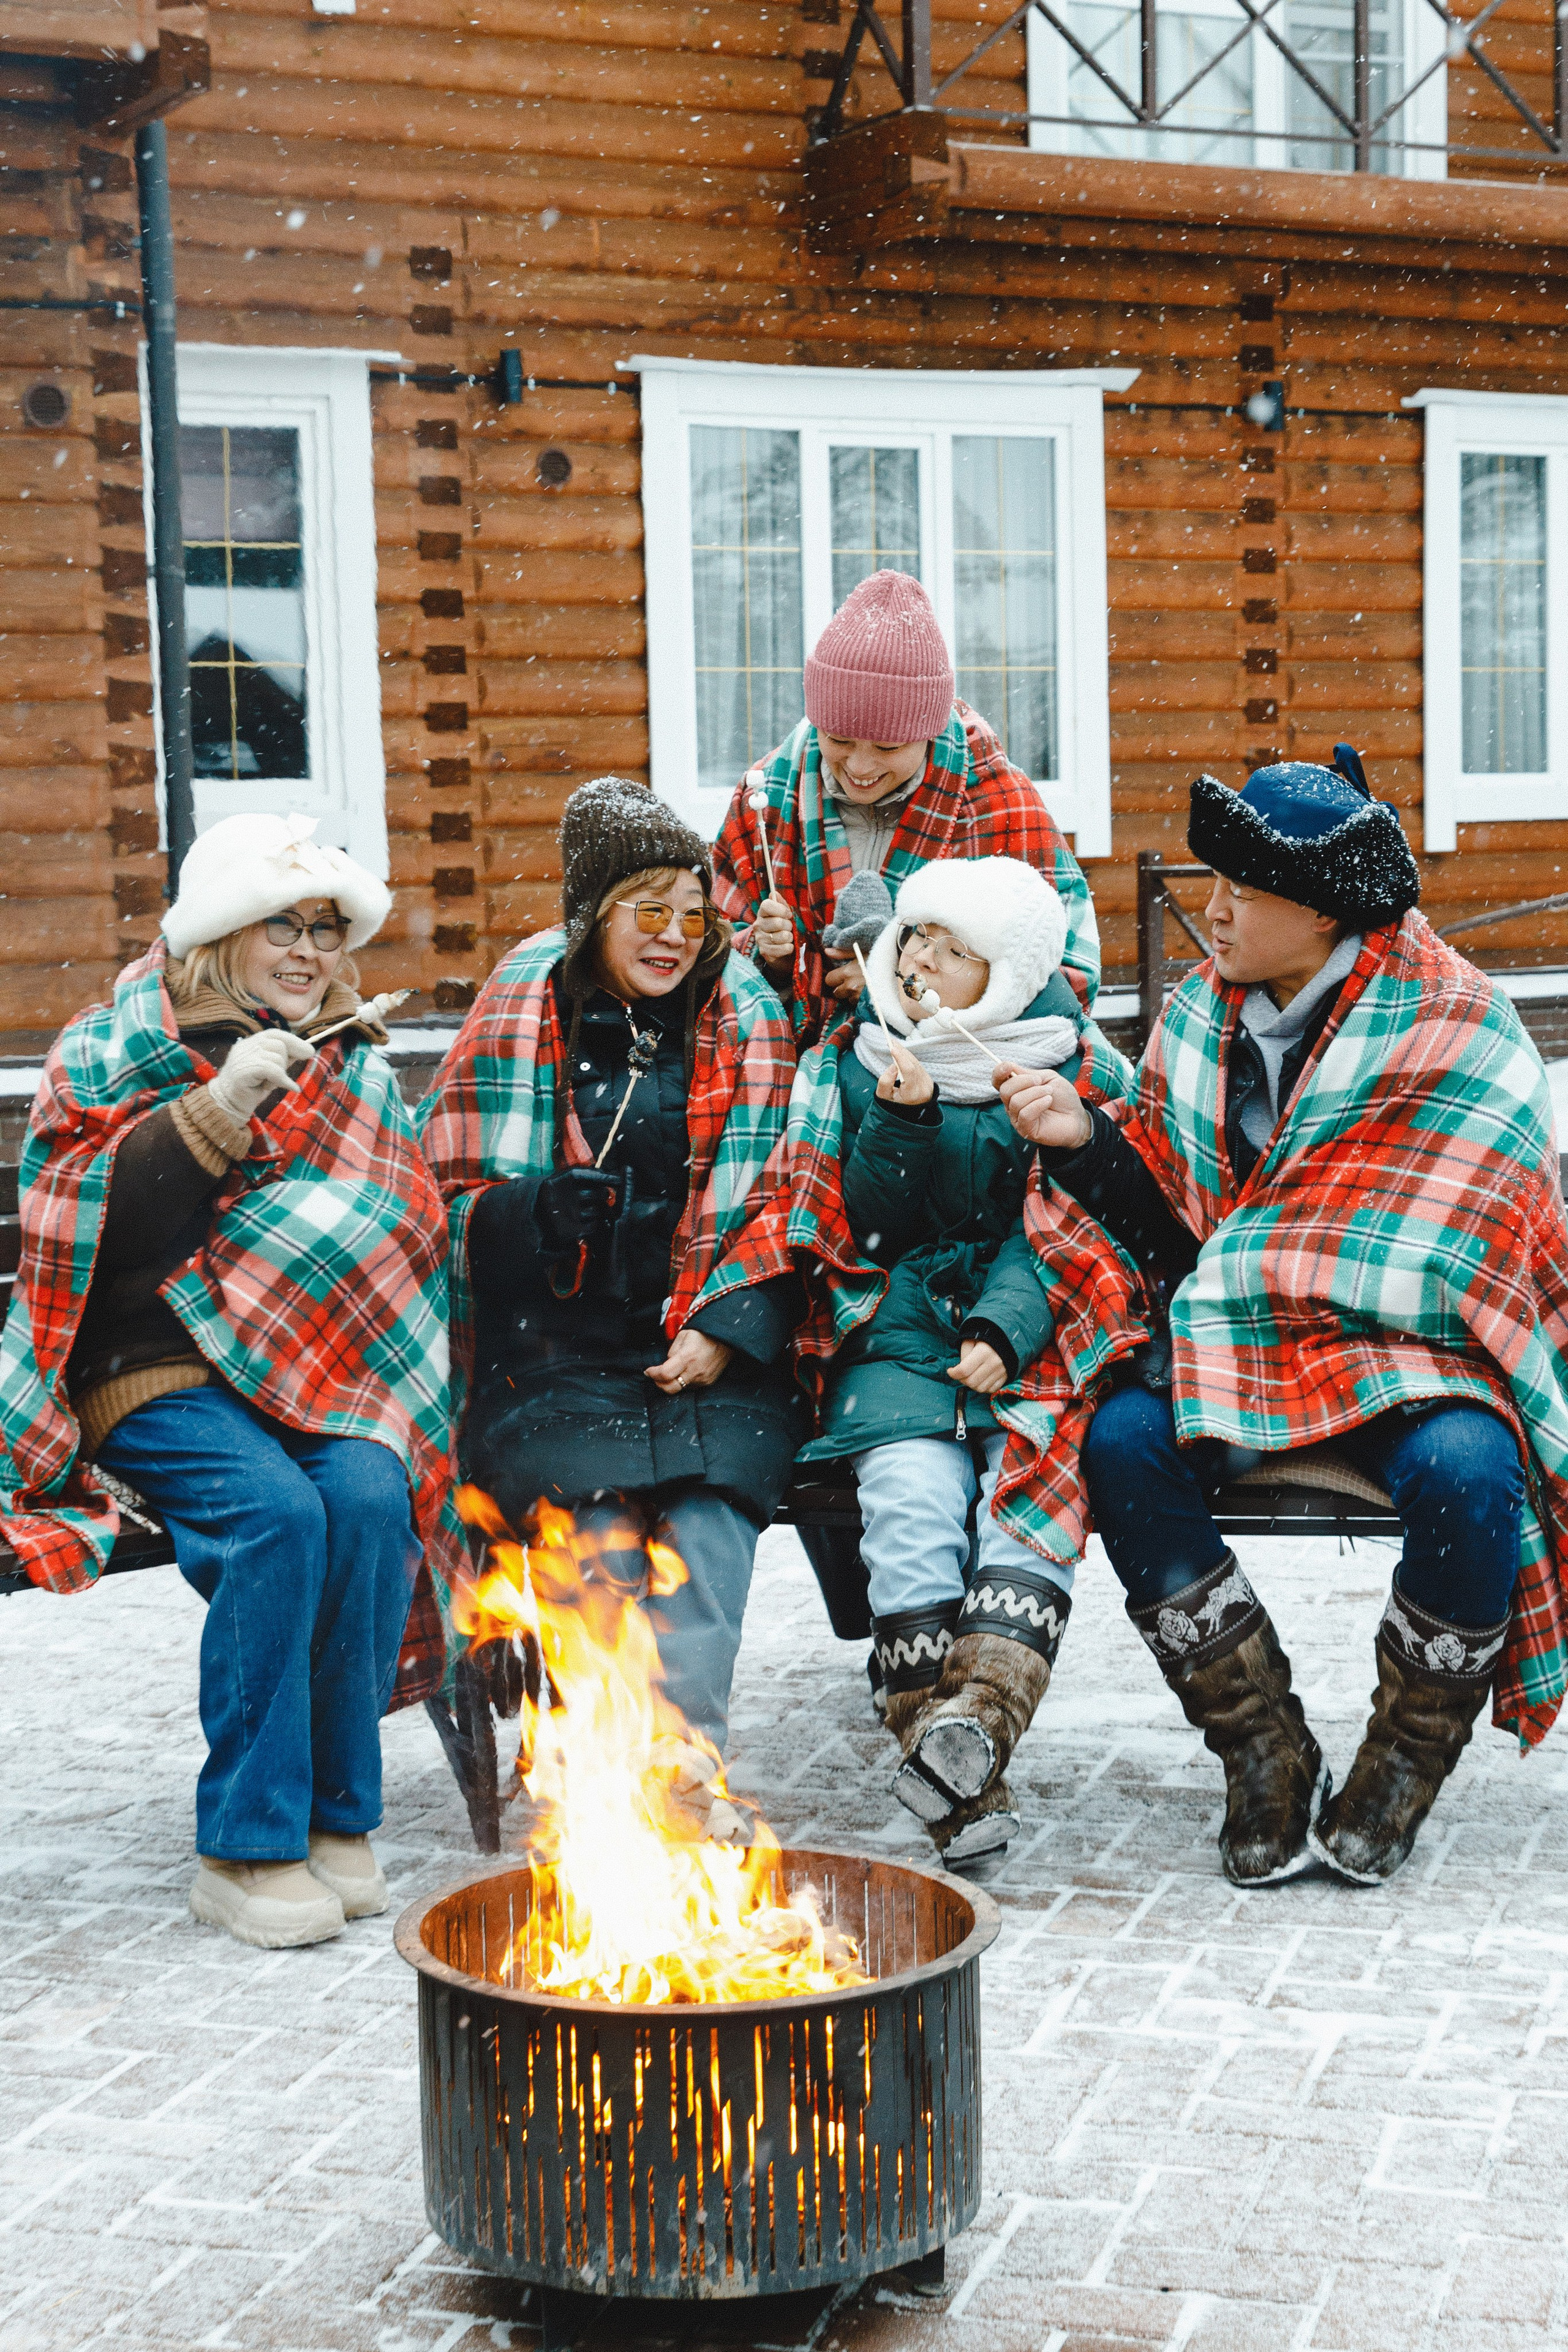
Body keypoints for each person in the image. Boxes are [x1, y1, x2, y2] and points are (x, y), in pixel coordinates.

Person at [998, 748, 1568, 1888]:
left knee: (1470, 1469)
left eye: (1239, 892)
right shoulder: (1204, 1017)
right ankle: (1261, 1743)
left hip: (1413, 1358)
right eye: (1214, 884)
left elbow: (1479, 1238)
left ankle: (1406, 1757)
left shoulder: (1457, 1023)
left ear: (1319, 910)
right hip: (1243, 1348)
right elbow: (1180, 1227)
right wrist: (1086, 1144)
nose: (1209, 910)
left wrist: (1291, 1279)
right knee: (1119, 1444)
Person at [0, 814, 461, 1949]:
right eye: (281, 928)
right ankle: (245, 1847)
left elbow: (393, 1225)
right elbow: (95, 1255)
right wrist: (220, 1108)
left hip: (317, 1370)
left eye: (324, 931)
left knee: (361, 1495)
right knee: (274, 1515)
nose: (308, 953)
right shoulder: (117, 1045)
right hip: (146, 1366)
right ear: (217, 938)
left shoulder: (348, 1062)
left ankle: (339, 1819)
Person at [418, 778, 813, 1826]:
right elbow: (441, 1202)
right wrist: (533, 1213)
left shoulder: (748, 1015)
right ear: (595, 914)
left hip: (705, 1343)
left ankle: (681, 1773)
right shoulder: (522, 1003)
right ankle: (603, 1764)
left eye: (694, 914)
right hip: (553, 1353)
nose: (676, 937)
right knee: (594, 1533)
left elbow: (792, 1194)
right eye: (651, 912)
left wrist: (731, 1327)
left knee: (709, 1518)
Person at [790, 856, 1106, 1868]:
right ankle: (960, 1775)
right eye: (915, 935)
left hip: (1038, 1337)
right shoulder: (858, 1053)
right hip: (897, 1332)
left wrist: (1006, 1327)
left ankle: (974, 1725)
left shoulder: (1067, 1063)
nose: (917, 959)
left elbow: (1061, 1226)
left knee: (1031, 1496)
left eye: (952, 950)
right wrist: (903, 1119)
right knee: (911, 1498)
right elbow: (871, 1227)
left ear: (1004, 975)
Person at [710, 569, 1104, 1047]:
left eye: (888, 746)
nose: (859, 766)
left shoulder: (1002, 806)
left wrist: (892, 990)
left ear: (928, 732)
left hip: (949, 1094)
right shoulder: (766, 799)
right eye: (838, 738)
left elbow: (1068, 969)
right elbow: (710, 942)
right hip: (788, 1074)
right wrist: (769, 958)